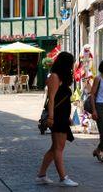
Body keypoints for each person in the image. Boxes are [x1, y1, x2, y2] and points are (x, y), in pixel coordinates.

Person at [36, 51, 78, 187]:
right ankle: (63, 177)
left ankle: (41, 175)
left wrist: (68, 117)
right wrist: (51, 117)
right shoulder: (54, 77)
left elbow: (64, 99)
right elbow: (52, 99)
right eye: (71, 63)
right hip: (57, 116)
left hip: (62, 116)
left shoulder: (62, 77)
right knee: (59, 147)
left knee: (55, 147)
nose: (72, 66)